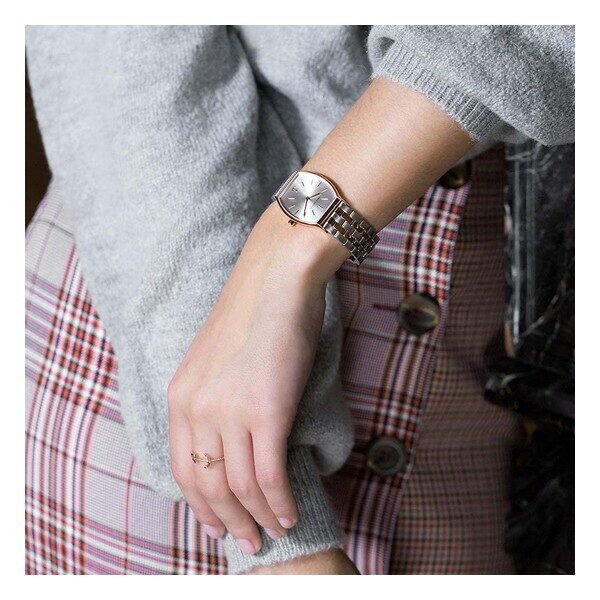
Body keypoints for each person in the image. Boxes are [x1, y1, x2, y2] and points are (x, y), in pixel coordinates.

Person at [25, 25, 574, 574]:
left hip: (497, 371)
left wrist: (290, 246)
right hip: (165, 304)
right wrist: (279, 526)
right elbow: (119, 56)